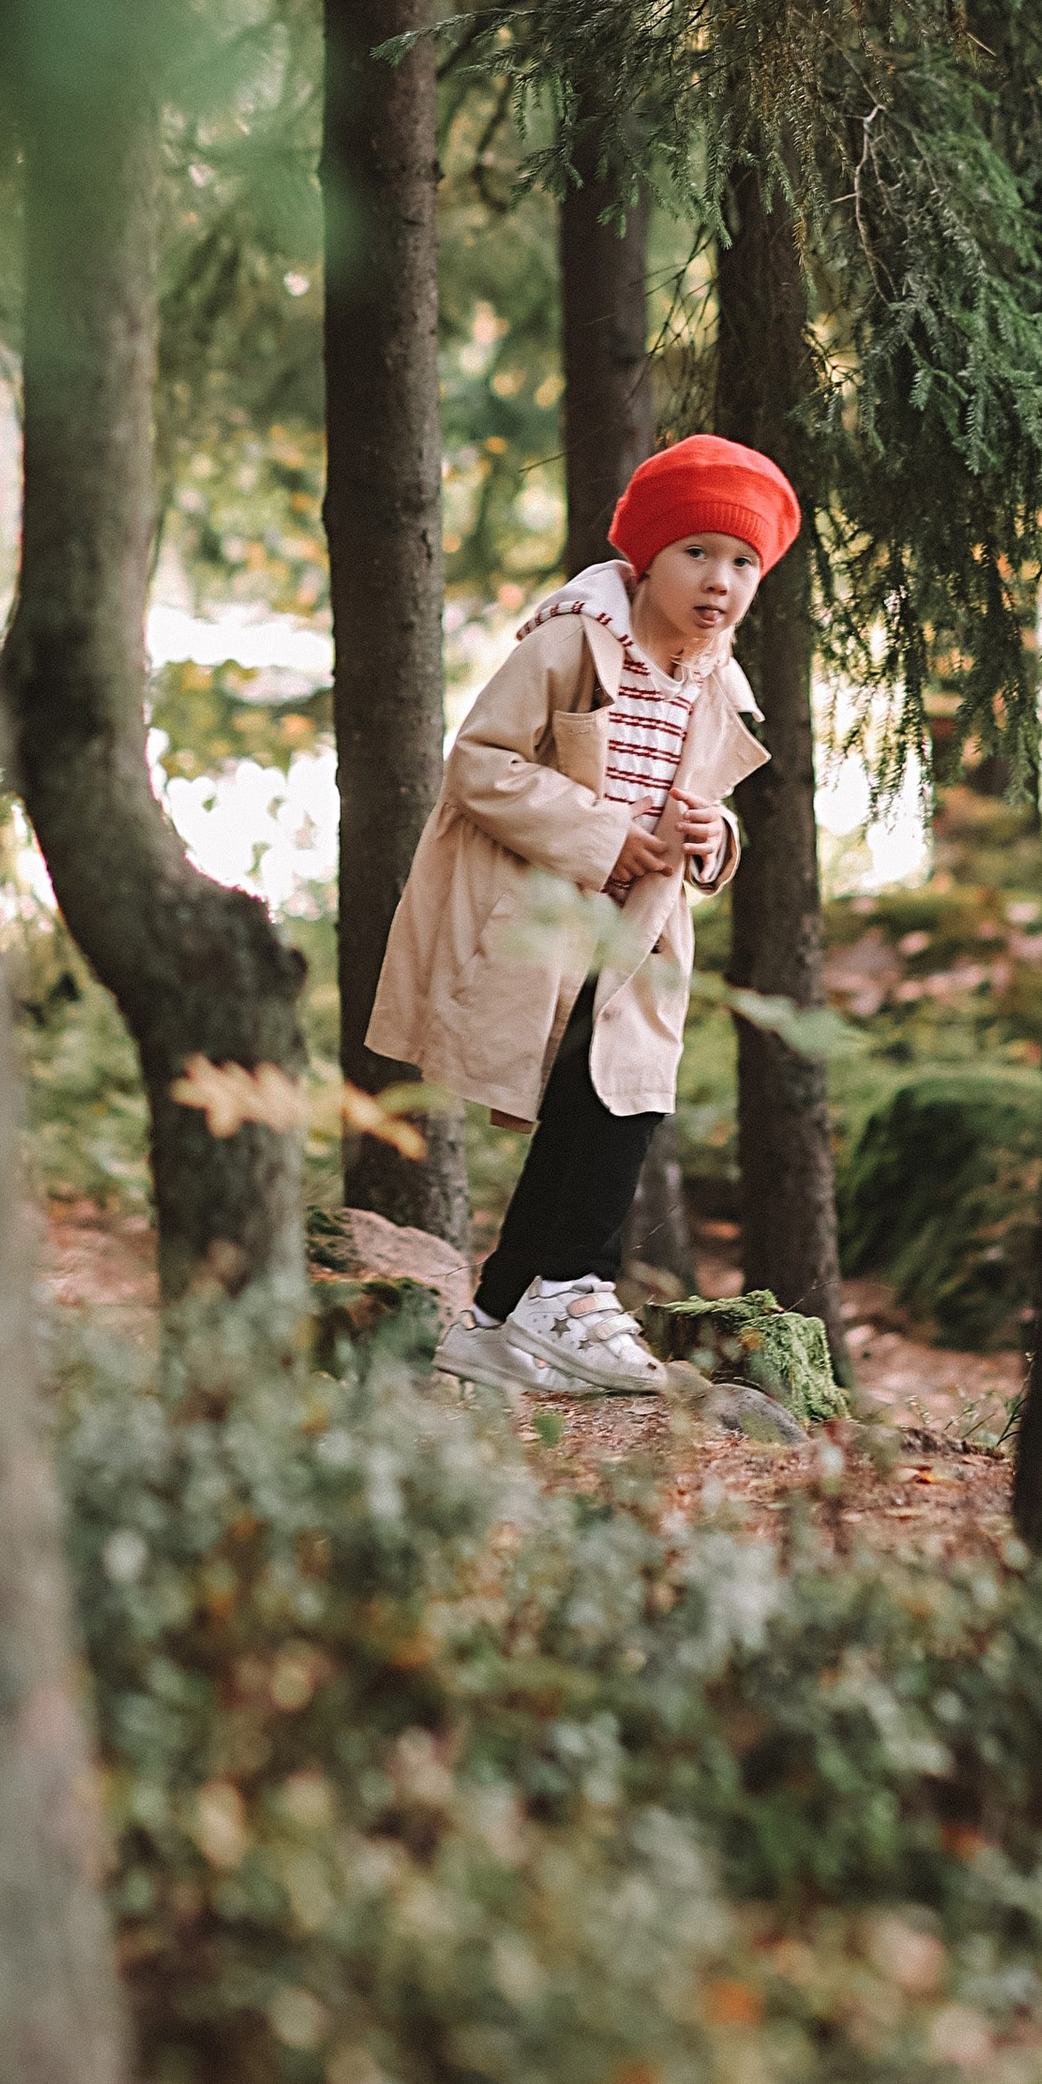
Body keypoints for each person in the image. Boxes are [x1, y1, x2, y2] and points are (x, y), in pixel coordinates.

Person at [366, 433, 802, 1396]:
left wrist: (711, 836)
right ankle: (571, 1285)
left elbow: (705, 810)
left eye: (742, 563)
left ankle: (495, 1317)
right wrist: (605, 836)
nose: (718, 581)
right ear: (645, 560)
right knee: (595, 1106)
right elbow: (479, 763)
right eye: (696, 552)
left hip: (639, 929)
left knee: (617, 1098)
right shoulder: (575, 641)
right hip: (543, 911)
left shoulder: (715, 675)